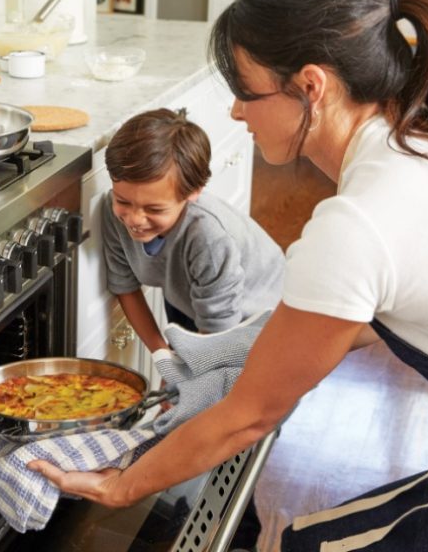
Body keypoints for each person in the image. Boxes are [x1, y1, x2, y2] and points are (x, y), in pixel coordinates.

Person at [29, 0, 428, 551]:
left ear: (311, 86)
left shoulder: (360, 221)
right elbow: (388, 312)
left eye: (246, 91)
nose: (238, 112)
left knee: (307, 544)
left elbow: (249, 415)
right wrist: (250, 345)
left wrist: (120, 488)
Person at [101, 108, 285, 549]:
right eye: (124, 201)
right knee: (187, 412)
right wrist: (165, 359)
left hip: (253, 324)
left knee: (231, 434)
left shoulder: (209, 237)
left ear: (194, 194)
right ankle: (181, 504)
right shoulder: (113, 213)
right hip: (192, 303)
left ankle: (240, 536)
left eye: (154, 209)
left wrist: (191, 390)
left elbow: (217, 346)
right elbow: (126, 287)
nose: (134, 219)